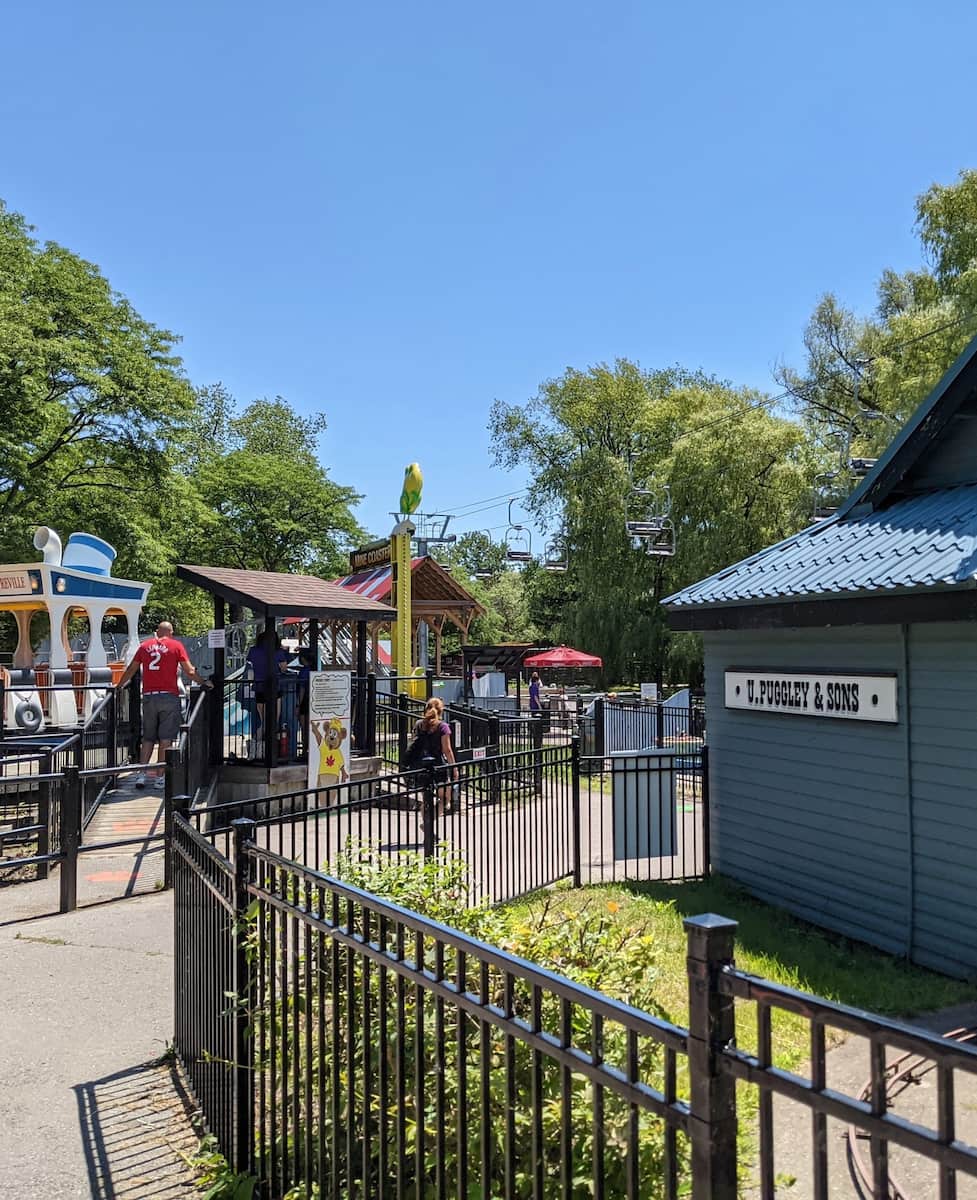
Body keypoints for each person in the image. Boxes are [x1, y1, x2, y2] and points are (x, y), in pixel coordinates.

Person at [117, 621, 212, 788]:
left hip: (149, 697)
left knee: (148, 738)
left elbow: (131, 669)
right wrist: (204, 682)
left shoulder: (145, 646)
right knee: (165, 739)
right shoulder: (176, 646)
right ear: (171, 632)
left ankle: (141, 775)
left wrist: (118, 686)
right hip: (169, 697)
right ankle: (160, 778)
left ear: (157, 632)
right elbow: (189, 671)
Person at [411, 697, 458, 816]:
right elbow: (447, 750)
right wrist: (454, 767)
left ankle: (426, 824)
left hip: (420, 764)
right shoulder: (443, 727)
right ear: (441, 711)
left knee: (426, 798)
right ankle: (433, 820)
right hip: (438, 765)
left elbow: (414, 743)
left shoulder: (418, 725)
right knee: (443, 798)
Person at [245, 627, 291, 749]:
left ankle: (256, 746)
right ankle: (267, 749)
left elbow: (250, 666)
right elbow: (284, 668)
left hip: (259, 687)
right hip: (274, 688)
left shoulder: (253, 650)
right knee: (273, 721)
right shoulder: (278, 651)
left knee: (264, 721)